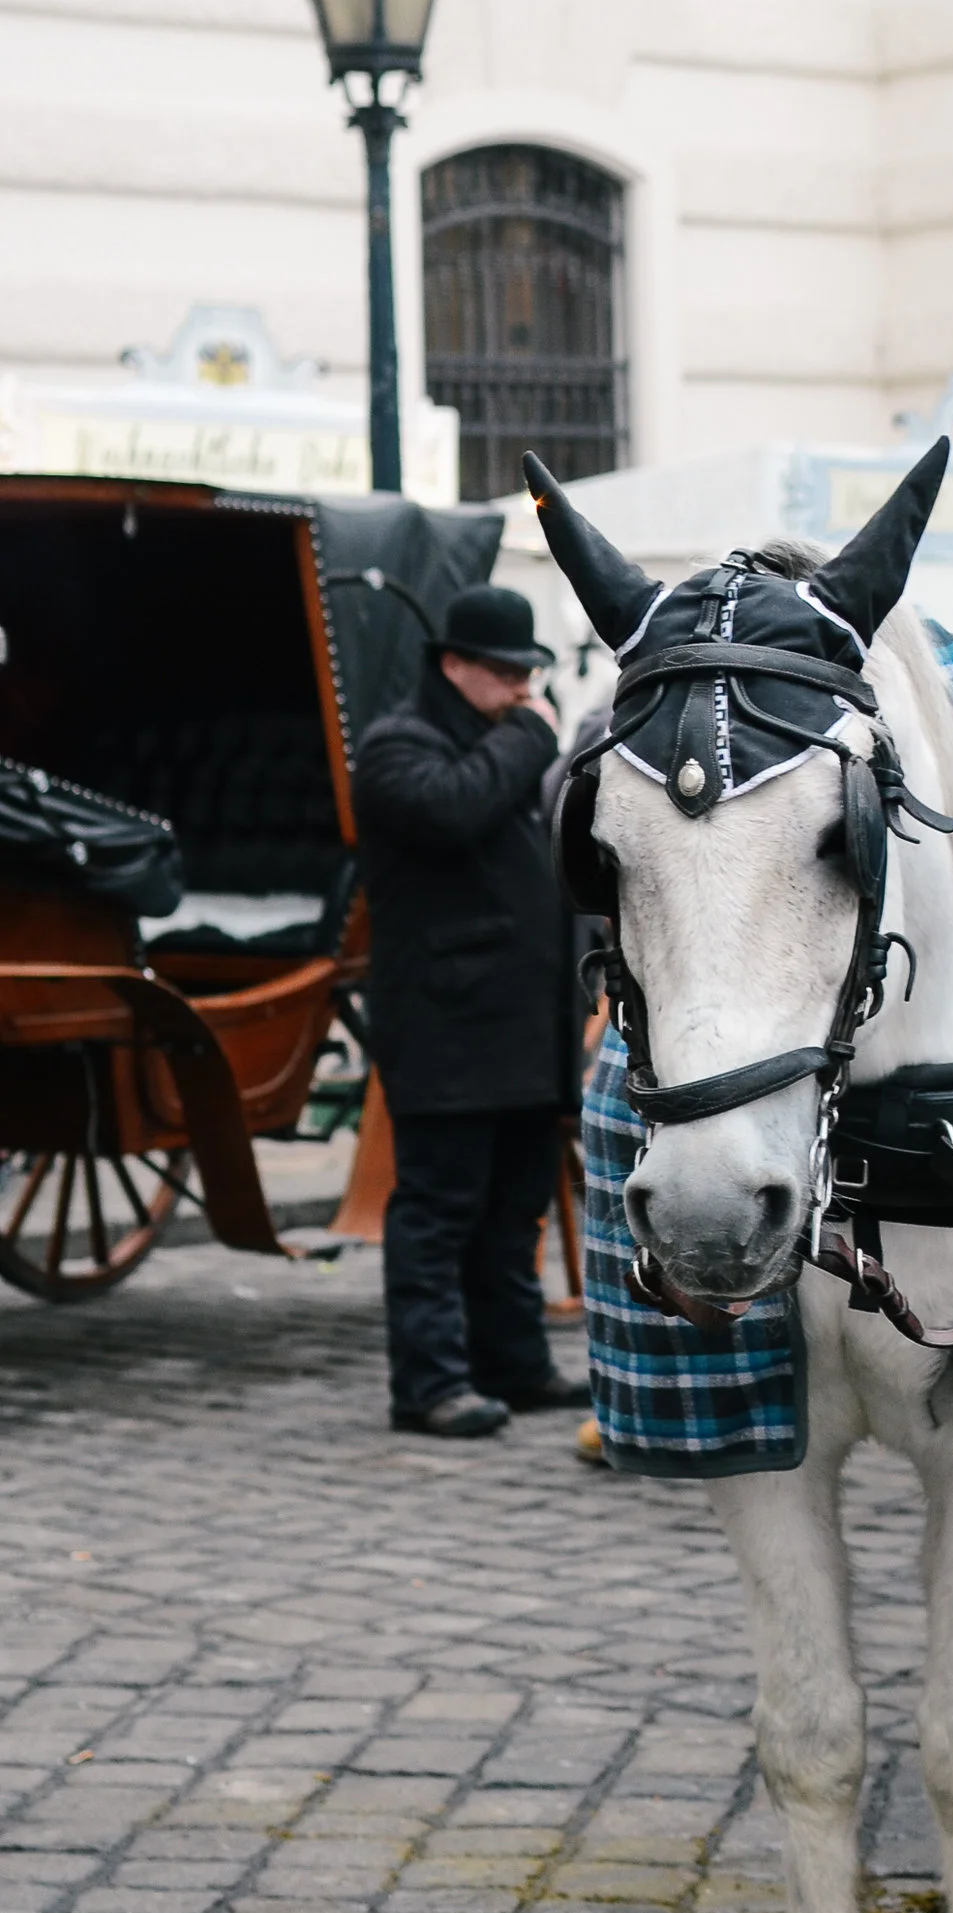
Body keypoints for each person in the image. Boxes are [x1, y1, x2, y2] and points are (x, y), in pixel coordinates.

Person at [353, 581, 586, 1438]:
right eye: (505, 671)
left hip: (521, 1030)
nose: (523, 688)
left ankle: (514, 1365)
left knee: (512, 1210)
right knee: (440, 1209)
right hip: (449, 1027)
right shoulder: (398, 747)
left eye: (528, 672)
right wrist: (529, 736)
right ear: (452, 665)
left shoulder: (493, 743)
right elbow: (450, 811)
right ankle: (429, 1382)